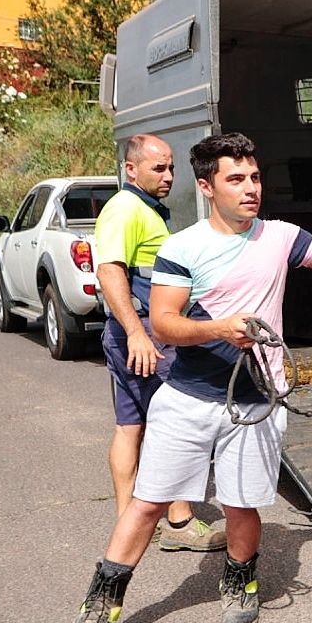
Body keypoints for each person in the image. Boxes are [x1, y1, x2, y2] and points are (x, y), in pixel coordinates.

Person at [52, 132, 312, 623]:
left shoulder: (282, 237)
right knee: (147, 503)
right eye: (236, 179)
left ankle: (240, 581)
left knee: (242, 503)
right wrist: (220, 328)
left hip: (256, 401)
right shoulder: (182, 246)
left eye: (255, 178)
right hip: (189, 397)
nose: (250, 188)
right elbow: (165, 325)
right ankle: (99, 607)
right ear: (207, 187)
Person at [93, 133, 224, 551]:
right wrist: (136, 333)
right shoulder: (125, 208)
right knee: (177, 425)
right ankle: (180, 522)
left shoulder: (146, 209)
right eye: (158, 168)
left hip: (137, 333)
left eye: (171, 167)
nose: (169, 176)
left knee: (130, 425)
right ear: (131, 170)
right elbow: (110, 272)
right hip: (144, 335)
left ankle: (129, 522)